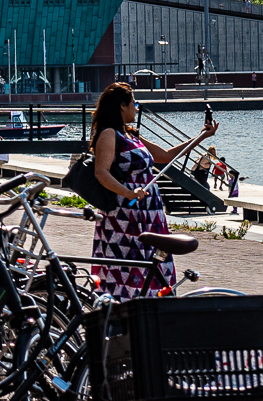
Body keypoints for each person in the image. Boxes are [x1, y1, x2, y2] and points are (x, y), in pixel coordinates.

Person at [88, 84, 218, 300]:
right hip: (124, 218)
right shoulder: (109, 134)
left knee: (155, 269)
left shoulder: (129, 134)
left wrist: (201, 137)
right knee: (128, 272)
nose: (136, 109)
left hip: (149, 216)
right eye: (134, 104)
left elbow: (166, 156)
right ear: (122, 106)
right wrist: (129, 192)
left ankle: (155, 315)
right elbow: (101, 173)